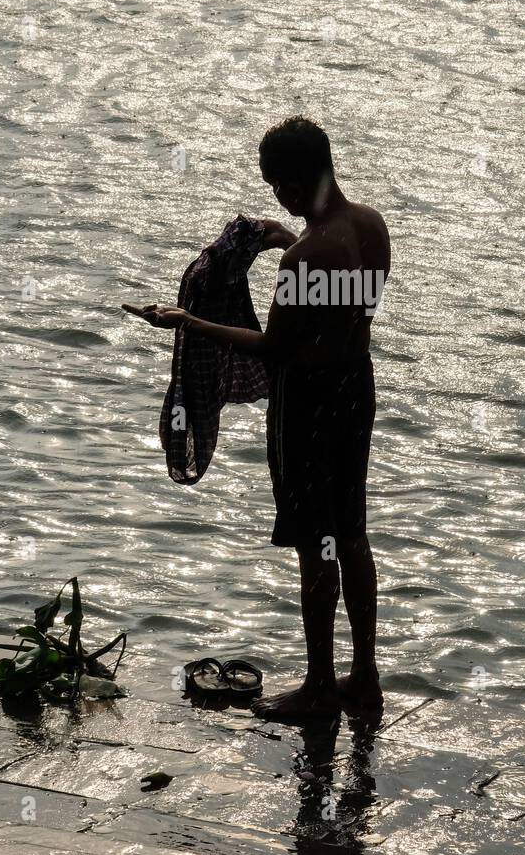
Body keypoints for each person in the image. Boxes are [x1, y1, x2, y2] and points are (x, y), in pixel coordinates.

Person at [124, 116, 390, 720]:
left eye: (276, 185)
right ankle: (363, 678)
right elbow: (343, 301)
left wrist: (188, 322)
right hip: (355, 388)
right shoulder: (369, 226)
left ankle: (319, 686)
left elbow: (272, 348)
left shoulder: (305, 259)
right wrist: (284, 236)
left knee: (314, 546)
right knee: (350, 533)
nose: (275, 196)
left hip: (310, 404)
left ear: (294, 184)